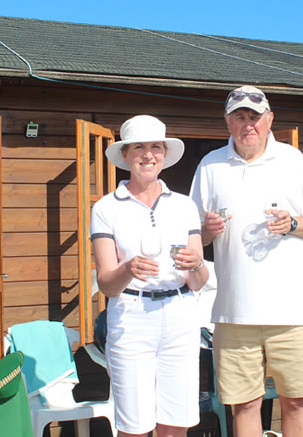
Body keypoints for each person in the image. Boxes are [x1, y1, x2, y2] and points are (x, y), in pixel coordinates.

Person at [189, 85, 303, 437]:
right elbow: (193, 238)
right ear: (227, 122)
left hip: (294, 313)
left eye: (254, 117)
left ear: (269, 120)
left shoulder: (293, 160)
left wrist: (294, 224)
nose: (247, 124)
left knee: (297, 403)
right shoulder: (211, 165)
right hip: (234, 314)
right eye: (239, 117)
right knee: (245, 405)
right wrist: (206, 230)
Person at [90, 114, 209, 437]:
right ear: (126, 155)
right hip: (132, 318)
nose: (148, 154)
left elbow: (199, 281)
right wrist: (128, 269)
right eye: (139, 147)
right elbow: (106, 284)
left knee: (176, 422)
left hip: (180, 316)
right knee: (134, 425)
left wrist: (196, 264)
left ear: (165, 154)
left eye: (156, 146)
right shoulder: (105, 208)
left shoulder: (184, 206)